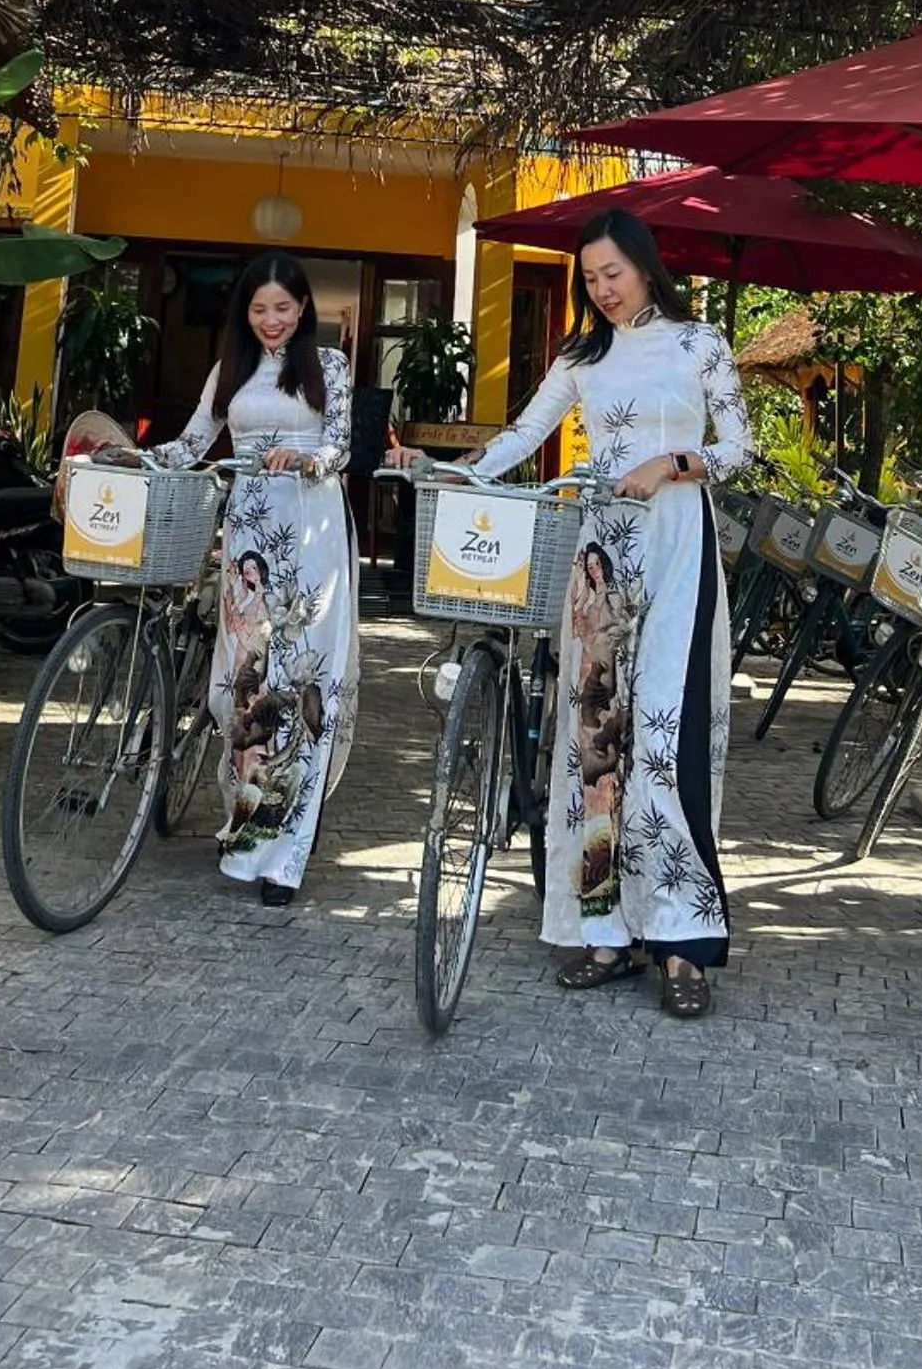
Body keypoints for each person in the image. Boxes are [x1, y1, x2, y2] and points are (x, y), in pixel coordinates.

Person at [398, 208, 752, 1016]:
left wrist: (674, 463)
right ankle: (604, 931)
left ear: (646, 267)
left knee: (662, 741)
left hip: (676, 556)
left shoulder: (701, 346)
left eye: (613, 275)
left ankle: (681, 942)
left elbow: (740, 448)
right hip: (600, 562)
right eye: (590, 280)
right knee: (595, 746)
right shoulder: (583, 354)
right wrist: (458, 472)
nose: (603, 291)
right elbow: (525, 432)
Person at [153, 252, 356, 905]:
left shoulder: (328, 367)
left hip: (311, 538)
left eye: (283, 308)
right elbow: (191, 444)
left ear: (303, 310)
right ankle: (248, 818)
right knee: (243, 688)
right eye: (259, 308)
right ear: (246, 313)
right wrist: (137, 457)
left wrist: (305, 457)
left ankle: (285, 852)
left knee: (298, 686)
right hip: (248, 542)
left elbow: (341, 446)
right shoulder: (231, 371)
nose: (271, 320)